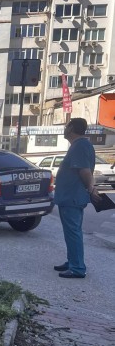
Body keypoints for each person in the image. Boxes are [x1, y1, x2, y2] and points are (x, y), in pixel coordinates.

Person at [53, 118, 96, 278]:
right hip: (69, 197)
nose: (64, 129)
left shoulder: (81, 145)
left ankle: (77, 267)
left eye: (66, 126)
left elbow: (85, 171)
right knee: (70, 232)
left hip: (72, 197)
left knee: (73, 232)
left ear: (71, 128)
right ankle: (72, 261)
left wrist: (91, 188)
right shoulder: (79, 145)